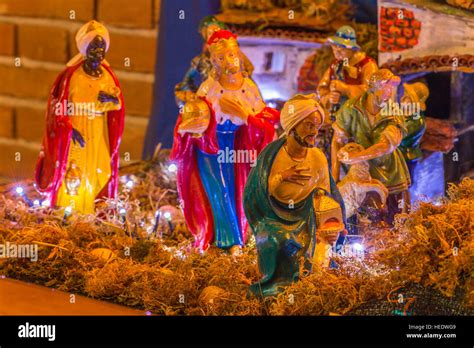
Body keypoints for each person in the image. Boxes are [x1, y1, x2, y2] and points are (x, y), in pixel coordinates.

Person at [171, 30, 279, 254]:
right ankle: (227, 242)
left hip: (239, 145)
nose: (228, 61)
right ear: (213, 61)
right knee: (218, 190)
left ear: (238, 55)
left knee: (238, 190)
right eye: (221, 58)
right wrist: (191, 126)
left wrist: (243, 114)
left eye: (231, 55)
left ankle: (238, 237)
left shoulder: (248, 87)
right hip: (211, 146)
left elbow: (264, 119)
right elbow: (196, 116)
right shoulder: (208, 88)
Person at [244, 94, 345, 297]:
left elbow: (326, 194)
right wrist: (283, 176)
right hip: (273, 216)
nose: (314, 132)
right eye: (308, 125)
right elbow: (259, 191)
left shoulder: (317, 157)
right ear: (292, 126)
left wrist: (330, 224)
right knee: (281, 241)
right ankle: (278, 288)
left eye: (316, 126)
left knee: (317, 250)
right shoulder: (272, 155)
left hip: (307, 215)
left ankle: (307, 289)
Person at [35, 20, 125, 214]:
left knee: (100, 168)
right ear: (85, 48)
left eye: (101, 48)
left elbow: (116, 105)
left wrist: (111, 99)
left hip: (98, 128)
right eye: (93, 48)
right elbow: (58, 107)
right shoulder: (71, 76)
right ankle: (69, 211)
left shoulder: (107, 76)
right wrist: (68, 129)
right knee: (74, 170)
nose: (98, 53)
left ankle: (89, 209)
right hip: (75, 129)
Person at [332, 69, 411, 224]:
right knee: (364, 215)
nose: (389, 93)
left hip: (390, 172)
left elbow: (384, 146)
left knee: (396, 216)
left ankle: (393, 243)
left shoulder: (393, 112)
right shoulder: (351, 108)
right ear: (372, 89)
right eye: (385, 88)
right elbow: (337, 140)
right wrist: (334, 178)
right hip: (361, 173)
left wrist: (355, 157)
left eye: (391, 88)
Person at [174, 16, 254, 106]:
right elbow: (187, 82)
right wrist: (194, 96)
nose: (215, 35)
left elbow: (248, 72)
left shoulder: (237, 57)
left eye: (218, 31)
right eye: (211, 33)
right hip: (212, 101)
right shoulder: (201, 61)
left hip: (236, 98)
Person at [398, 82, 429, 180]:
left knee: (406, 181)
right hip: (398, 154)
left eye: (407, 97)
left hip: (407, 156)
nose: (403, 98)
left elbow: (400, 134)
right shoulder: (402, 113)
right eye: (404, 94)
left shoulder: (417, 121)